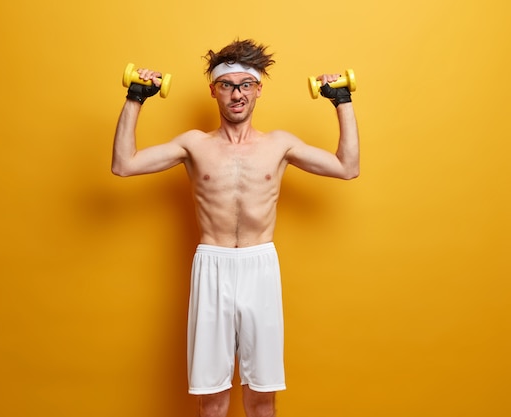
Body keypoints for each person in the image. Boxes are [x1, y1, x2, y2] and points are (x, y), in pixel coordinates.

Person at [111, 39, 360, 417]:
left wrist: (342, 101)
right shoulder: (194, 144)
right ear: (214, 90)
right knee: (212, 398)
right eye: (227, 85)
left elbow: (347, 166)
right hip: (212, 264)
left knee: (262, 396)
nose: (237, 94)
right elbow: (124, 164)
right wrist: (135, 98)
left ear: (258, 89)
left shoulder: (279, 145)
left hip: (261, 266)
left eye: (245, 85)